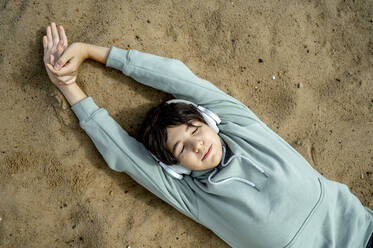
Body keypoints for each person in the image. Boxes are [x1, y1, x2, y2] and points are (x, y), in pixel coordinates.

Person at [43, 22, 373, 248]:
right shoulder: (193, 194)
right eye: (181, 148)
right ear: (176, 167)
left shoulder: (239, 125)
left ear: (210, 122)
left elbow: (177, 77)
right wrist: (68, 86)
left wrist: (91, 52)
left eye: (195, 130)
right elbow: (124, 155)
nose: (196, 143)